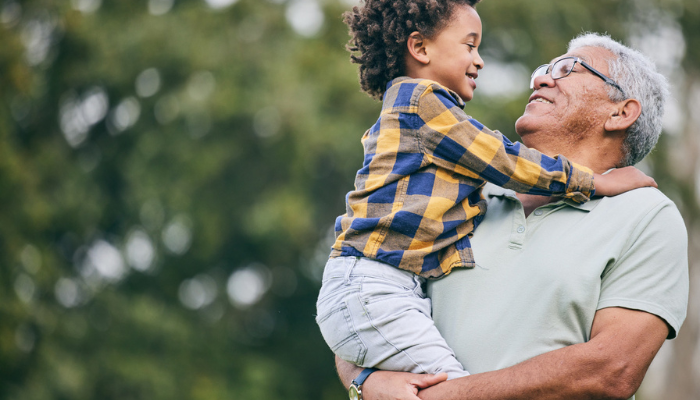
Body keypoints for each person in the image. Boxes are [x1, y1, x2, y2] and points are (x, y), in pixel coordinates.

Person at [316, 0, 656, 386]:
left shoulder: (647, 216)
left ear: (622, 112)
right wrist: (590, 182)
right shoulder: (422, 103)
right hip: (376, 284)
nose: (479, 61)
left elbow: (614, 371)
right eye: (469, 45)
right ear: (421, 48)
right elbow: (502, 158)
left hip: (376, 285)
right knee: (450, 386)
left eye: (566, 70)